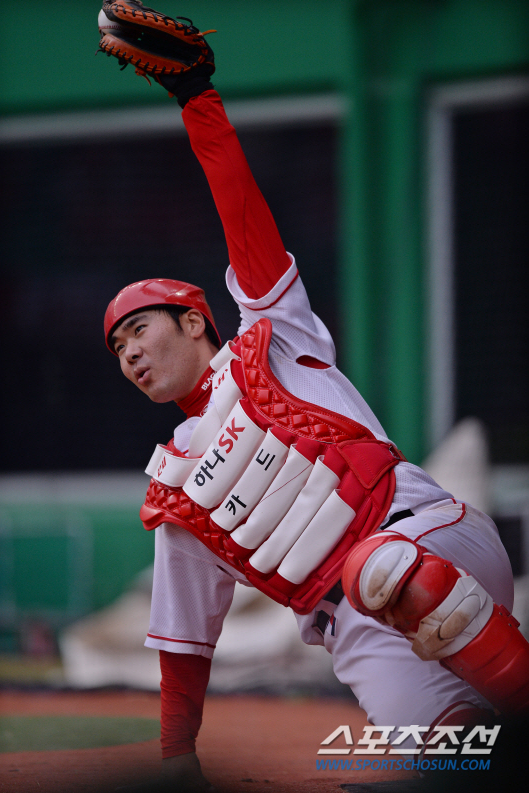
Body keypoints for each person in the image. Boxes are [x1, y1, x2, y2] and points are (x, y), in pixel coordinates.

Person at [101, 6, 528, 790]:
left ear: (193, 320)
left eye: (138, 328)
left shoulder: (272, 335)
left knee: (381, 567)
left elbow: (240, 210)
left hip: (426, 535)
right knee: (453, 759)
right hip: (355, 629)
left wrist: (197, 99)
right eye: (117, 347)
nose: (128, 351)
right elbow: (185, 640)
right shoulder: (175, 488)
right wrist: (176, 755)